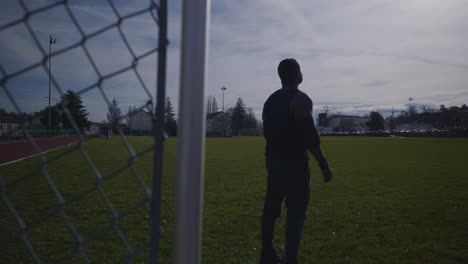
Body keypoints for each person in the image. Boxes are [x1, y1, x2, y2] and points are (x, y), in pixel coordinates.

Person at [260, 58, 332, 264]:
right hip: (295, 163)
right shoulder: (301, 99)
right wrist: (324, 164)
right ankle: (290, 259)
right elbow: (310, 137)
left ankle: (267, 254)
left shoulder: (269, 101)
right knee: (296, 211)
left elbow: (268, 133)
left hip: (273, 161)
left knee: (271, 208)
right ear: (298, 74)